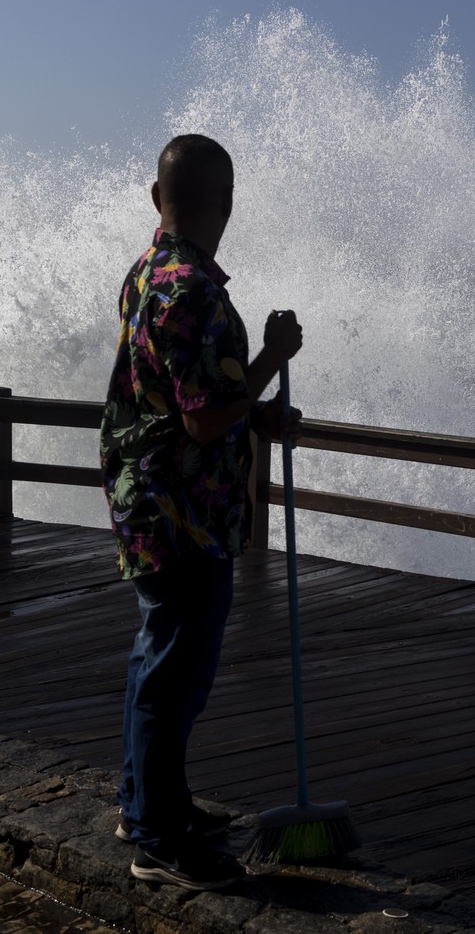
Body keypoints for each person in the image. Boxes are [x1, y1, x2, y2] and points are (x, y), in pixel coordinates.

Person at [99, 133, 303, 891]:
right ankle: (157, 838)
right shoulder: (195, 291)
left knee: (159, 656)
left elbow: (175, 395)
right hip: (182, 507)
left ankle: (150, 802)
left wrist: (257, 414)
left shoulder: (148, 272)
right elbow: (204, 419)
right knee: (177, 669)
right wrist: (273, 357)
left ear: (158, 199)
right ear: (226, 204)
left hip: (147, 492)